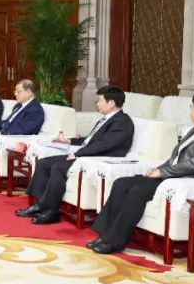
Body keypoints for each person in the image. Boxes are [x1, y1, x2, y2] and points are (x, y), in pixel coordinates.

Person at [87, 89, 194, 255]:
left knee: (137, 191)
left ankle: (114, 241)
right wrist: (159, 169)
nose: (190, 109)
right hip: (174, 175)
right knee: (121, 183)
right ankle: (104, 235)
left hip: (188, 179)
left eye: (193, 106)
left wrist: (162, 173)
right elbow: (176, 157)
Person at [16, 86, 134, 225]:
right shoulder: (107, 119)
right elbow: (90, 140)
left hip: (98, 160)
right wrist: (68, 141)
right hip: (88, 155)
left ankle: (51, 211)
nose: (97, 104)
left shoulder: (122, 121)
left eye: (100, 101)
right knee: (44, 162)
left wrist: (78, 153)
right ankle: (39, 205)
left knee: (58, 166)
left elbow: (105, 145)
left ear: (111, 103)